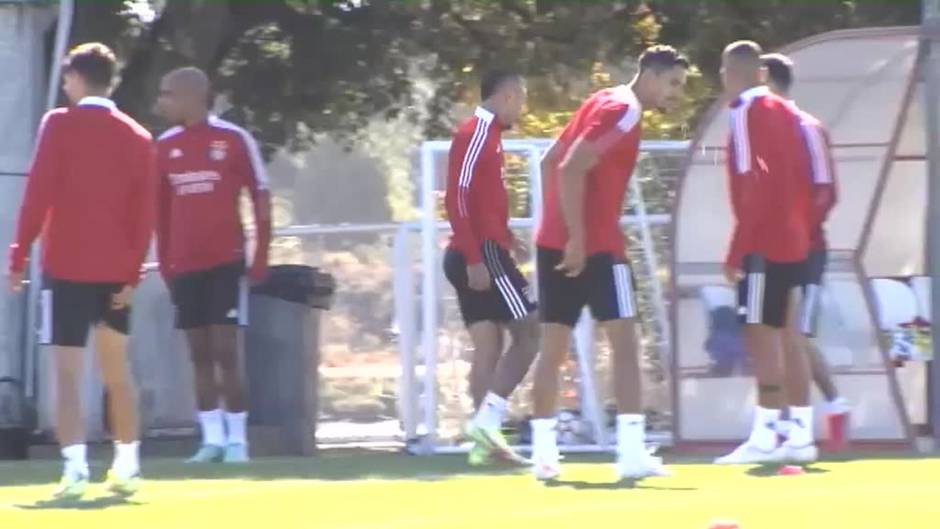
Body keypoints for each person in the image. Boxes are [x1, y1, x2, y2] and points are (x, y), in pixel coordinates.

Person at [531, 45, 688, 480]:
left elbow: (550, 162)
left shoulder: (601, 99)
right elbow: (570, 168)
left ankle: (543, 459)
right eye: (673, 83)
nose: (674, 94)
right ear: (652, 76)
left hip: (554, 244)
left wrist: (556, 232)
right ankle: (632, 454)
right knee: (625, 345)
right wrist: (579, 237)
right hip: (597, 247)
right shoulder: (624, 111)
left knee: (552, 350)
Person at [6, 42, 155, 498]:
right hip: (116, 272)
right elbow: (144, 214)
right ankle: (127, 464)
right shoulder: (138, 136)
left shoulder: (58, 125)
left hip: (67, 268)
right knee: (116, 371)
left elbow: (39, 194)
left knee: (67, 372)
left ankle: (75, 469)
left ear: (75, 78)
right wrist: (132, 274)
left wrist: (18, 256)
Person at [155, 67, 271, 464]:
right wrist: (166, 265)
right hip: (185, 267)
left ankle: (238, 440)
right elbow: (160, 212)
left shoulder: (234, 139)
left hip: (226, 262)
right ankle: (212, 438)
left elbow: (260, 195)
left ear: (193, 96)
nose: (162, 102)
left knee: (226, 350)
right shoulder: (164, 146)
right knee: (198, 353)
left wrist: (260, 257)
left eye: (168, 94)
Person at [715, 41, 815, 465]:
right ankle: (802, 435)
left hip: (763, 243)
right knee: (788, 336)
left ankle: (765, 435)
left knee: (761, 338)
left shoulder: (744, 112)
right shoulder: (790, 112)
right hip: (795, 241)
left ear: (730, 72)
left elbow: (752, 182)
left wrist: (737, 249)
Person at [443, 69, 539, 465]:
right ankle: (488, 419)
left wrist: (505, 236)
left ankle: (486, 445)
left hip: (485, 248)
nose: (522, 106)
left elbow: (481, 202)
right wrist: (475, 256)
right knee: (531, 330)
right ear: (505, 96)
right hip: (478, 254)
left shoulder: (492, 138)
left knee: (489, 345)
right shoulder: (476, 133)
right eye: (520, 98)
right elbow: (457, 198)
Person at [762, 53, 850, 451]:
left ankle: (825, 409)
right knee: (777, 332)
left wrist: (796, 230)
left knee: (794, 332)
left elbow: (825, 190)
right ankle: (792, 419)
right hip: (769, 250)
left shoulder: (805, 127)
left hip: (804, 249)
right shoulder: (759, 129)